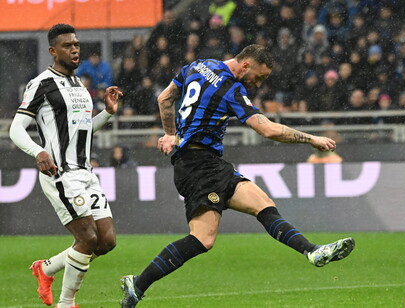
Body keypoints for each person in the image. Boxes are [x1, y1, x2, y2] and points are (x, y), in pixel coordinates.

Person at [119, 44, 355, 306]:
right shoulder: (232, 89)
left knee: (263, 205)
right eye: (259, 76)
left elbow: (165, 98)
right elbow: (266, 129)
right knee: (202, 239)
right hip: (198, 167)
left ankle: (312, 251)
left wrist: (169, 133)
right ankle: (138, 284)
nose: (258, 83)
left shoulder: (199, 65)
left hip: (206, 163)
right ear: (245, 65)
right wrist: (311, 139)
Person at [9, 24, 123, 308]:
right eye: (67, 46)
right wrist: (38, 152)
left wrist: (107, 114)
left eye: (76, 45)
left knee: (106, 241)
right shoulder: (41, 84)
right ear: (53, 51)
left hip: (86, 172)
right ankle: (66, 303)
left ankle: (45, 269)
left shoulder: (80, 87)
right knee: (86, 238)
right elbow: (16, 129)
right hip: (60, 173)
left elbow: (84, 131)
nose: (74, 50)